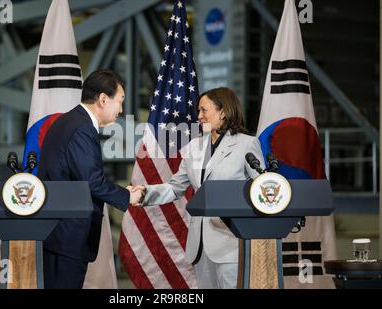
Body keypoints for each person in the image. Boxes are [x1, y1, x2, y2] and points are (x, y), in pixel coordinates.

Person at [132, 87, 265, 289]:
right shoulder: (195, 147)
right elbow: (175, 187)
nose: (199, 116)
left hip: (231, 245)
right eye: (198, 111)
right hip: (200, 247)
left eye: (204, 110)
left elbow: (262, 191)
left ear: (223, 112)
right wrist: (144, 193)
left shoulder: (247, 145)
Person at [37, 69, 143, 289]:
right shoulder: (82, 128)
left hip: (58, 235)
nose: (121, 110)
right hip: (66, 237)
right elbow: (92, 182)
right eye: (120, 101)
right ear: (103, 99)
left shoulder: (70, 121)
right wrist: (128, 196)